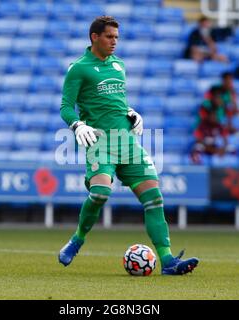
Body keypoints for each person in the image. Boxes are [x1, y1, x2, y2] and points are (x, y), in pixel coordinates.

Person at [58, 16, 199, 275]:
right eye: (109, 37)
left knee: (154, 199)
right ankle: (77, 239)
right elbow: (66, 106)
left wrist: (131, 113)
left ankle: (168, 262)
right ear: (94, 37)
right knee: (101, 194)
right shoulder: (78, 68)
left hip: (127, 142)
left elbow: (116, 101)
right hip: (100, 142)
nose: (114, 42)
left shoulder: (119, 65)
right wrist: (77, 125)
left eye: (117, 38)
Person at [191, 86, 230, 164]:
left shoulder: (219, 125)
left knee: (231, 149)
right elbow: (198, 140)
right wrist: (212, 149)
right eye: (217, 97)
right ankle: (198, 168)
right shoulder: (202, 124)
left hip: (214, 144)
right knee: (197, 148)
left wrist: (223, 148)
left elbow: (225, 138)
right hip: (205, 145)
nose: (219, 99)